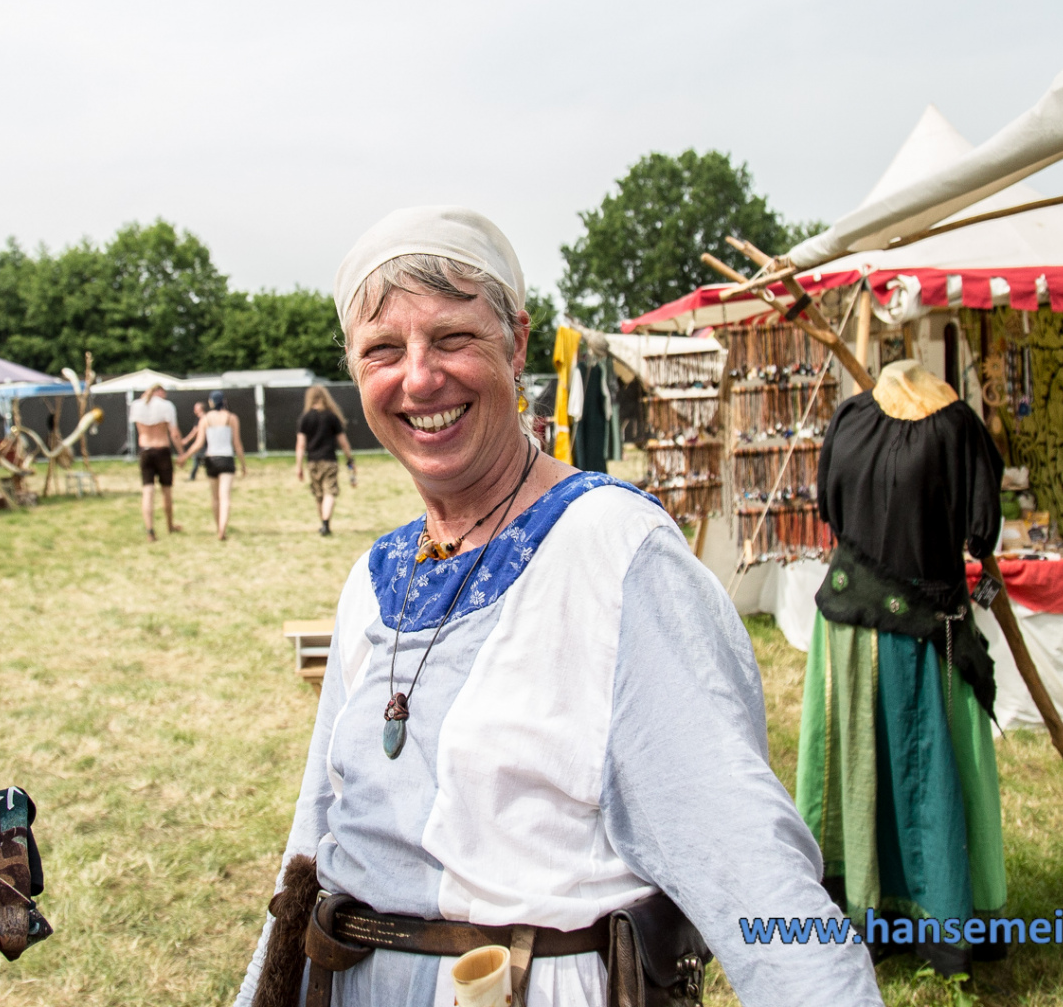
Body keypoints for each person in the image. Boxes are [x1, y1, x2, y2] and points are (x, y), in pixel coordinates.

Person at [234, 206, 879, 1007]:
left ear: (517, 344)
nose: (419, 378)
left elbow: (746, 862)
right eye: (383, 350)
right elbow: (316, 830)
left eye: (452, 337)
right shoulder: (374, 576)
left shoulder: (615, 551)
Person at [797, 359, 1007, 977]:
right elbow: (981, 534)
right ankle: (905, 910)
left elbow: (833, 513)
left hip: (880, 630)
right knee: (902, 770)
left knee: (902, 769)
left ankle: (895, 907)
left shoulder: (872, 420)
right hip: (898, 632)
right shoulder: (945, 426)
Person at [179, 389, 246, 540]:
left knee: (215, 498)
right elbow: (237, 444)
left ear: (211, 402)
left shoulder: (205, 419)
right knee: (225, 497)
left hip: (211, 459)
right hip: (227, 459)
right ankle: (223, 529)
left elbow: (198, 444)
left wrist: (184, 457)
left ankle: (217, 528)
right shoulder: (231, 418)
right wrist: (243, 464)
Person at [295, 384, 354, 536]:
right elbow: (343, 442)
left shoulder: (305, 418)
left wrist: (298, 466)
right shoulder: (331, 417)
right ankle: (326, 524)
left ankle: (323, 524)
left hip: (312, 462)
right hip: (329, 460)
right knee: (329, 492)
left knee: (319, 494)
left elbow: (300, 445)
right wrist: (350, 459)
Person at [131, 383, 185, 541]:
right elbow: (174, 433)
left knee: (148, 491)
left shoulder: (136, 405)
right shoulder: (166, 406)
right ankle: (170, 525)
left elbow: (138, 430)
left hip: (145, 450)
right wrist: (181, 453)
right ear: (159, 391)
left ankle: (150, 531)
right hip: (162, 450)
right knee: (166, 490)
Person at [187, 399, 208, 480]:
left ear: (201, 409)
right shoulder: (206, 417)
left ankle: (192, 477)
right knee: (198, 459)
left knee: (198, 458)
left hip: (202, 443)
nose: (194, 409)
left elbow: (195, 432)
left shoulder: (201, 418)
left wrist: (186, 440)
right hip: (206, 443)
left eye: (196, 408)